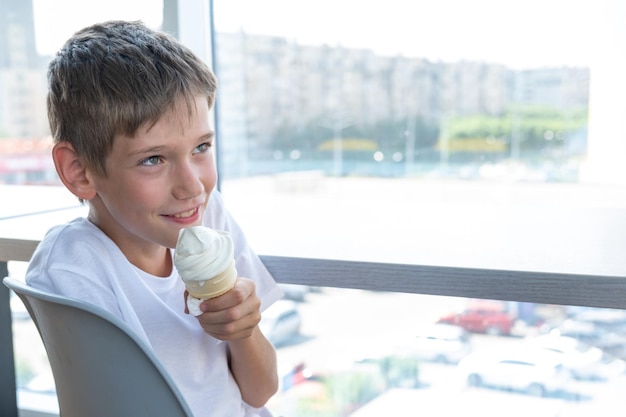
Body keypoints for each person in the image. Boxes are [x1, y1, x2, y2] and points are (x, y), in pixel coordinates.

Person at [25, 20, 283, 417]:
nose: (192, 186)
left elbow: (260, 391)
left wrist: (243, 332)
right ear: (79, 171)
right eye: (152, 159)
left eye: (201, 147)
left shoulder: (209, 217)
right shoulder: (75, 264)